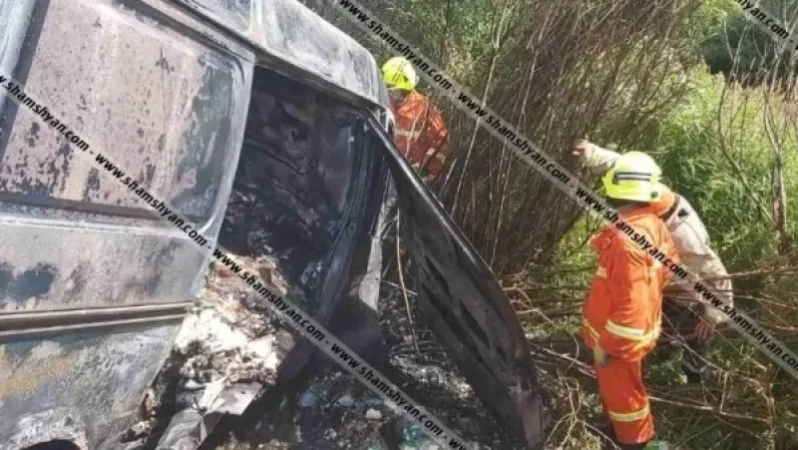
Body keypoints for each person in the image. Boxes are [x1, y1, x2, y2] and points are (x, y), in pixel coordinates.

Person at [573, 139, 734, 384]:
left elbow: (716, 273)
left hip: (687, 292)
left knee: (694, 333)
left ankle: (696, 377)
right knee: (657, 329)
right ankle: (659, 352)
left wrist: (714, 314)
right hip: (660, 281)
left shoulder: (684, 236)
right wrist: (591, 152)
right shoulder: (646, 189)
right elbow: (619, 166)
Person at [581, 151, 679, 450]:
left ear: (614, 188)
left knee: (626, 399)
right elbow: (668, 268)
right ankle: (617, 428)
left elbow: (631, 308)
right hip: (632, 333)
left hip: (618, 341)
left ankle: (637, 443)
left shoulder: (626, 241)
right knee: (621, 395)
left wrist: (607, 345)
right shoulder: (652, 224)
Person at [381, 56, 450, 184]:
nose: (389, 94)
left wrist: (425, 172)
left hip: (408, 180)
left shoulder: (424, 110)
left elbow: (441, 142)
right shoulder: (384, 103)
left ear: (403, 88)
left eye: (392, 90)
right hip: (383, 173)